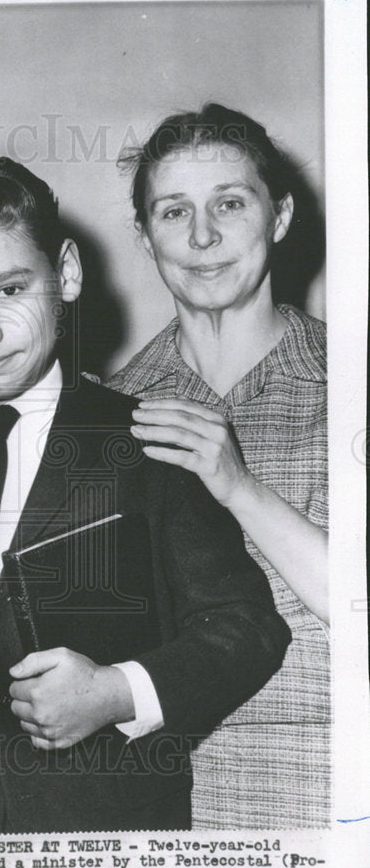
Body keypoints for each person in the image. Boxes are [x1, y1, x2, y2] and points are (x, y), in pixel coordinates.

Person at [0, 155, 290, 836]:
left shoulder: (151, 443)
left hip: (104, 862)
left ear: (65, 273)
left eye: (9, 290)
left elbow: (245, 629)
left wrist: (117, 691)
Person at [106, 103, 329, 828]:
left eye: (229, 204)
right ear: (144, 236)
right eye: (173, 212)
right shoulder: (110, 412)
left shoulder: (351, 379)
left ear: (280, 215)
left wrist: (236, 486)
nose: (201, 237)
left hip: (326, 791)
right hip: (157, 807)